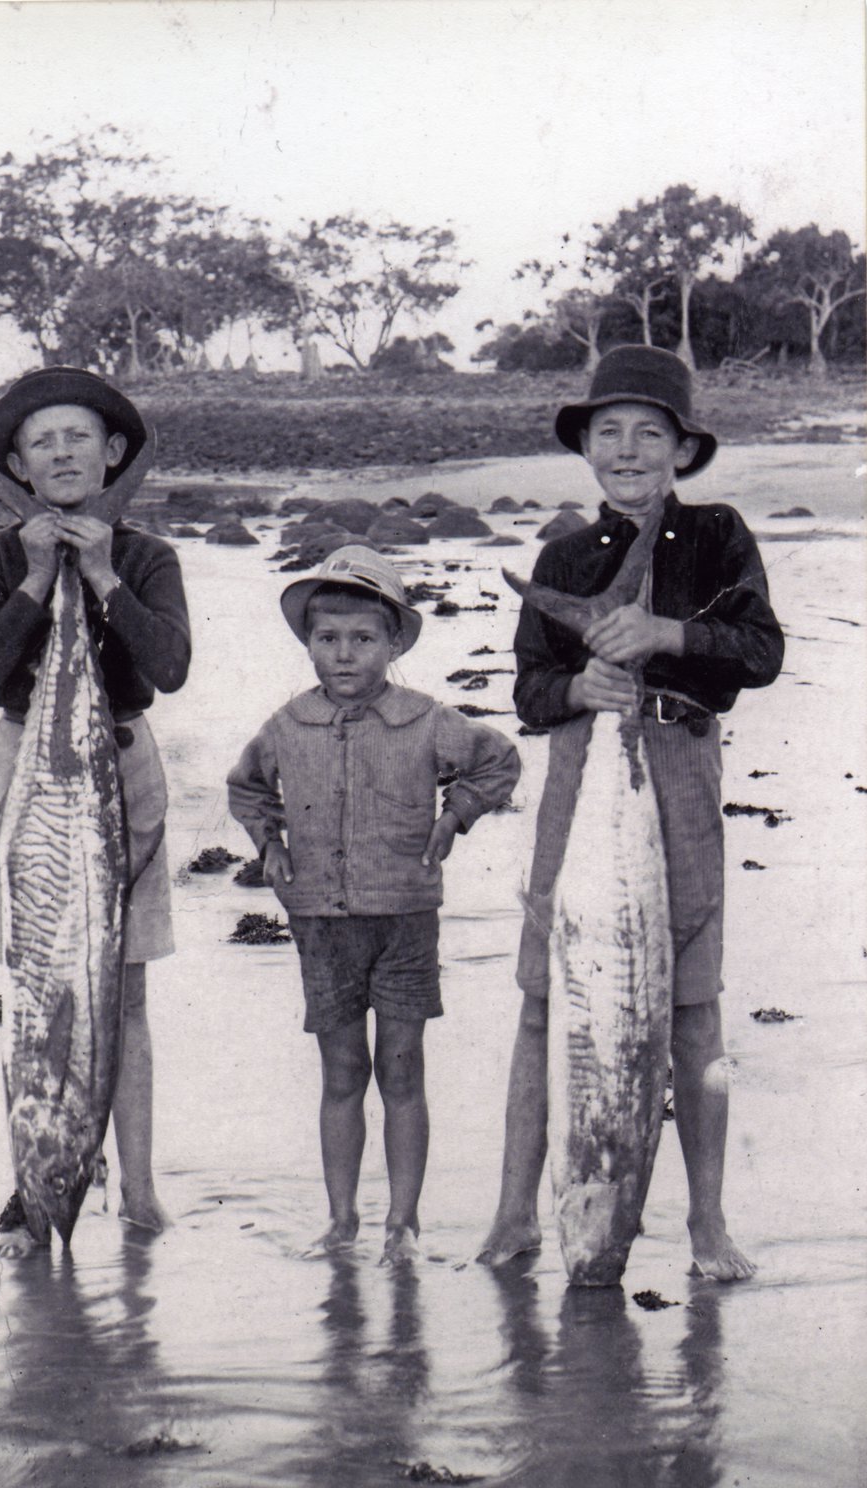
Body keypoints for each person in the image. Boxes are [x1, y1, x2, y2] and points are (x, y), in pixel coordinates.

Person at [478, 345, 784, 1280]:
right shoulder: (563, 555)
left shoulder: (721, 535)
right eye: (608, 432)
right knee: (544, 1007)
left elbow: (760, 651)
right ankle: (513, 1218)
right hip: (584, 767)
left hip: (679, 762)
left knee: (691, 1015)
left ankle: (704, 1224)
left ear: (683, 449)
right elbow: (530, 691)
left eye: (649, 433)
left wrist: (666, 634)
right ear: (586, 449)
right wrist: (583, 684)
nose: (628, 449)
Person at [0, 367, 191, 1259]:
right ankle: (30, 1192)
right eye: (42, 441)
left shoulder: (146, 554)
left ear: (113, 453)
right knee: (36, 990)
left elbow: (168, 670)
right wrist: (37, 575)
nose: (61, 452)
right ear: (17, 462)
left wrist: (99, 573)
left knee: (119, 995)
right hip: (30, 772)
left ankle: (138, 1187)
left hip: (119, 769)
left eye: (78, 437)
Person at [227, 546, 521, 1263]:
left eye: (363, 639)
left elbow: (499, 760)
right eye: (327, 638)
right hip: (320, 924)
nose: (344, 654)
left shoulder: (427, 720)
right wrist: (270, 845)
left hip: (405, 920)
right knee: (341, 1074)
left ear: (393, 644)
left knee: (401, 1068)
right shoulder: (286, 724)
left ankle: (404, 1223)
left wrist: (455, 819)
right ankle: (340, 1220)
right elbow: (245, 787)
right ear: (308, 644)